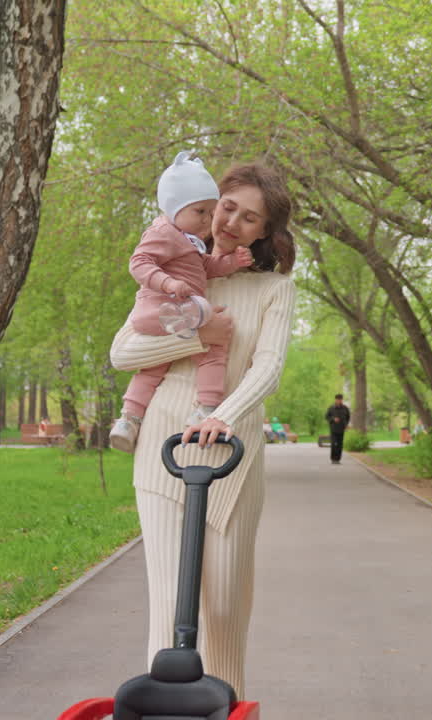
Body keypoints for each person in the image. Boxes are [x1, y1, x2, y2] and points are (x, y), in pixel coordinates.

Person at [107, 162, 296, 697]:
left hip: (231, 456)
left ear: (265, 232)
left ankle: (226, 707)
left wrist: (223, 417)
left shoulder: (273, 289)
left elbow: (268, 367)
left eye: (249, 217)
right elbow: (123, 352)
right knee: (169, 607)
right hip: (163, 449)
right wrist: (200, 333)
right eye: (227, 206)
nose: (230, 221)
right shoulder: (180, 268)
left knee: (223, 612)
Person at [109, 151, 255, 453]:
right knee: (214, 345)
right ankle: (207, 405)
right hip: (159, 307)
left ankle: (128, 420)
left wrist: (230, 263)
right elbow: (139, 262)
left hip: (164, 320)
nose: (207, 219)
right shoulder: (163, 231)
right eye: (200, 211)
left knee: (152, 368)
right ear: (174, 208)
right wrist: (168, 282)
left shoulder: (186, 241)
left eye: (209, 212)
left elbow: (206, 268)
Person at [325, 393, 350, 463]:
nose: (339, 401)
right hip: (333, 429)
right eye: (338, 399)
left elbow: (348, 417)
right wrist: (333, 419)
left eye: (341, 399)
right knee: (333, 444)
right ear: (335, 400)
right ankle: (333, 459)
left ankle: (338, 459)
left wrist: (346, 425)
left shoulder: (345, 408)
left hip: (341, 429)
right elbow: (326, 417)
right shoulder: (331, 408)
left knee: (340, 445)